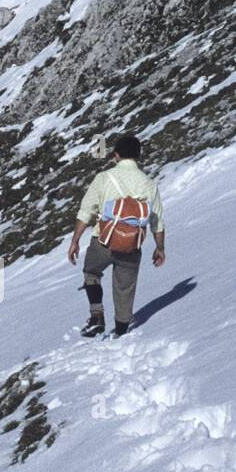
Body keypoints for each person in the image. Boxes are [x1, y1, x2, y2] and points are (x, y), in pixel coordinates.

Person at [67, 134, 165, 338]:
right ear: (138, 156)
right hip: (132, 245)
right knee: (124, 289)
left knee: (91, 272)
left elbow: (86, 211)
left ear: (116, 155)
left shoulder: (104, 178)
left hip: (103, 241)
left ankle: (97, 317)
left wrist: (75, 241)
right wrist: (160, 247)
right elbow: (157, 221)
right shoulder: (149, 184)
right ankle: (121, 332)